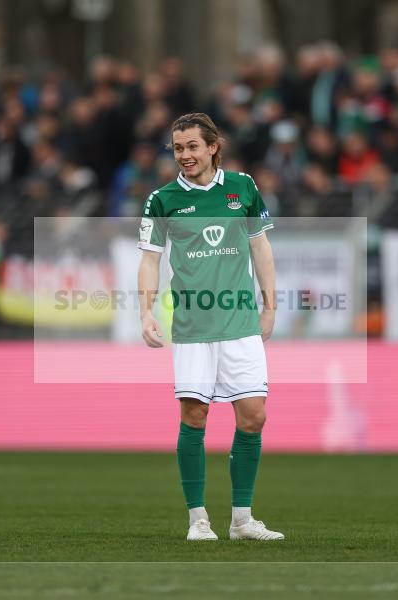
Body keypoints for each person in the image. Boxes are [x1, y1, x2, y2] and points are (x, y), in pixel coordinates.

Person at [136, 112, 283, 542]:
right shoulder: (162, 200)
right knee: (195, 415)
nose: (184, 155)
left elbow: (261, 248)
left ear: (213, 147)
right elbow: (150, 260)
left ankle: (242, 520)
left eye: (192, 146)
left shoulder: (243, 188)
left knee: (254, 416)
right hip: (194, 326)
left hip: (240, 323)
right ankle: (198, 519)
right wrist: (146, 311)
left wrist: (270, 305)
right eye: (178, 148)